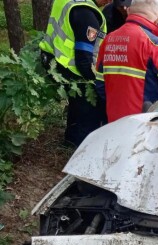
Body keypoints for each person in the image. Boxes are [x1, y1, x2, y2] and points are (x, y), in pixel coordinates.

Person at [95, 0, 158, 122]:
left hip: (114, 122)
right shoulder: (155, 44)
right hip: (144, 124)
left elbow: (100, 85)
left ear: (129, 10)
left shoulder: (108, 39)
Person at [39, 0, 109, 147]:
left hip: (52, 58)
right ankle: (81, 148)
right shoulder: (87, 14)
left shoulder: (69, 2)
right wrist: (97, 80)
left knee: (76, 105)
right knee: (89, 107)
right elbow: (84, 59)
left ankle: (70, 140)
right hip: (71, 67)